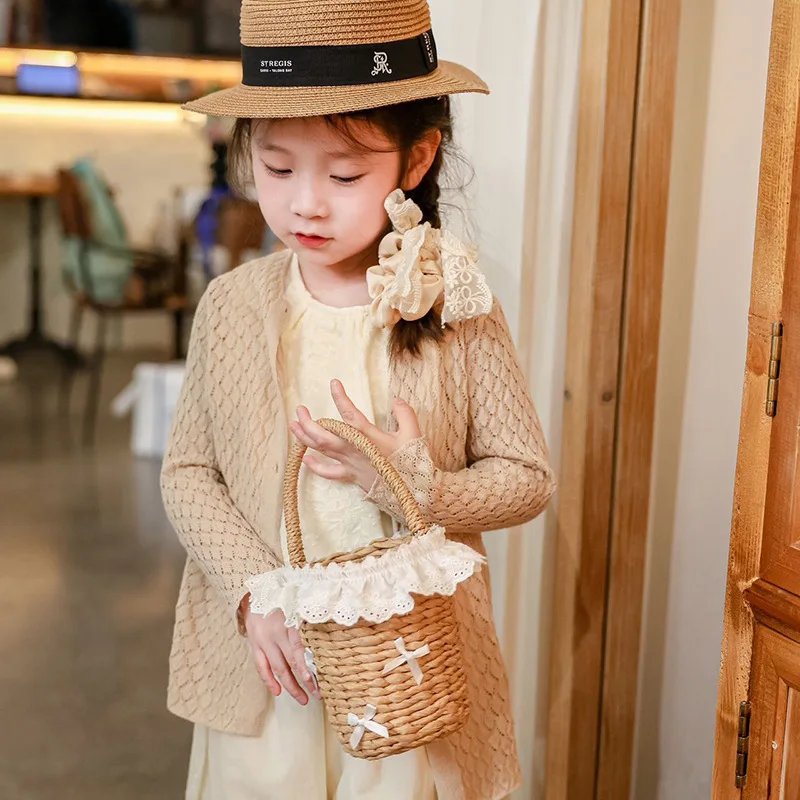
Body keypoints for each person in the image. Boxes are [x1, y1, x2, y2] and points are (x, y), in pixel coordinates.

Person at [161, 1, 556, 798]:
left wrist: (415, 485)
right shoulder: (234, 304)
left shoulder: (452, 301)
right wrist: (255, 594)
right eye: (276, 168)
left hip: (409, 663)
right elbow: (188, 472)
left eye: (343, 176)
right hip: (269, 664)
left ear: (416, 160)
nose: (305, 202)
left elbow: (528, 476)